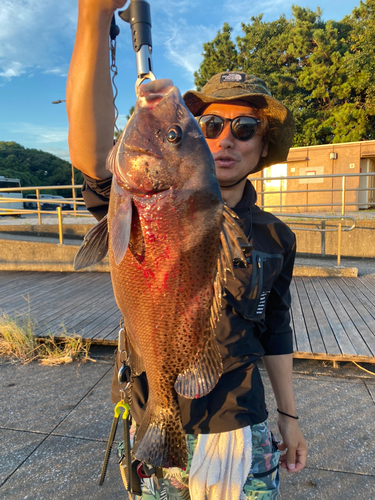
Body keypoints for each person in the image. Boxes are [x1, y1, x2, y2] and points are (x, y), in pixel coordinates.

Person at [66, 1, 308, 498]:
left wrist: (290, 417)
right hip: (148, 403)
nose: (226, 139)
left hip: (240, 421)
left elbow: (276, 328)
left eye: (246, 129)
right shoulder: (142, 198)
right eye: (210, 126)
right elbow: (91, 153)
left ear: (264, 147)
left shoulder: (276, 237)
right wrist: (92, 18)